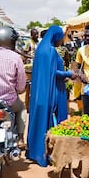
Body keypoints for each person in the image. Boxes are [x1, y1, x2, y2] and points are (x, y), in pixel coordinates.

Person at [27, 25, 76, 166]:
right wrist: (69, 74)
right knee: (49, 121)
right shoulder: (51, 51)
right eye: (61, 37)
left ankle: (35, 151)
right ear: (56, 37)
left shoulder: (40, 50)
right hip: (51, 90)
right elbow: (54, 73)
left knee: (39, 120)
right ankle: (47, 154)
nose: (61, 40)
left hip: (39, 93)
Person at [0, 26, 27, 148]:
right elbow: (20, 87)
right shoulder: (15, 57)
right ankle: (20, 139)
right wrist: (19, 90)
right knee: (22, 109)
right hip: (7, 102)